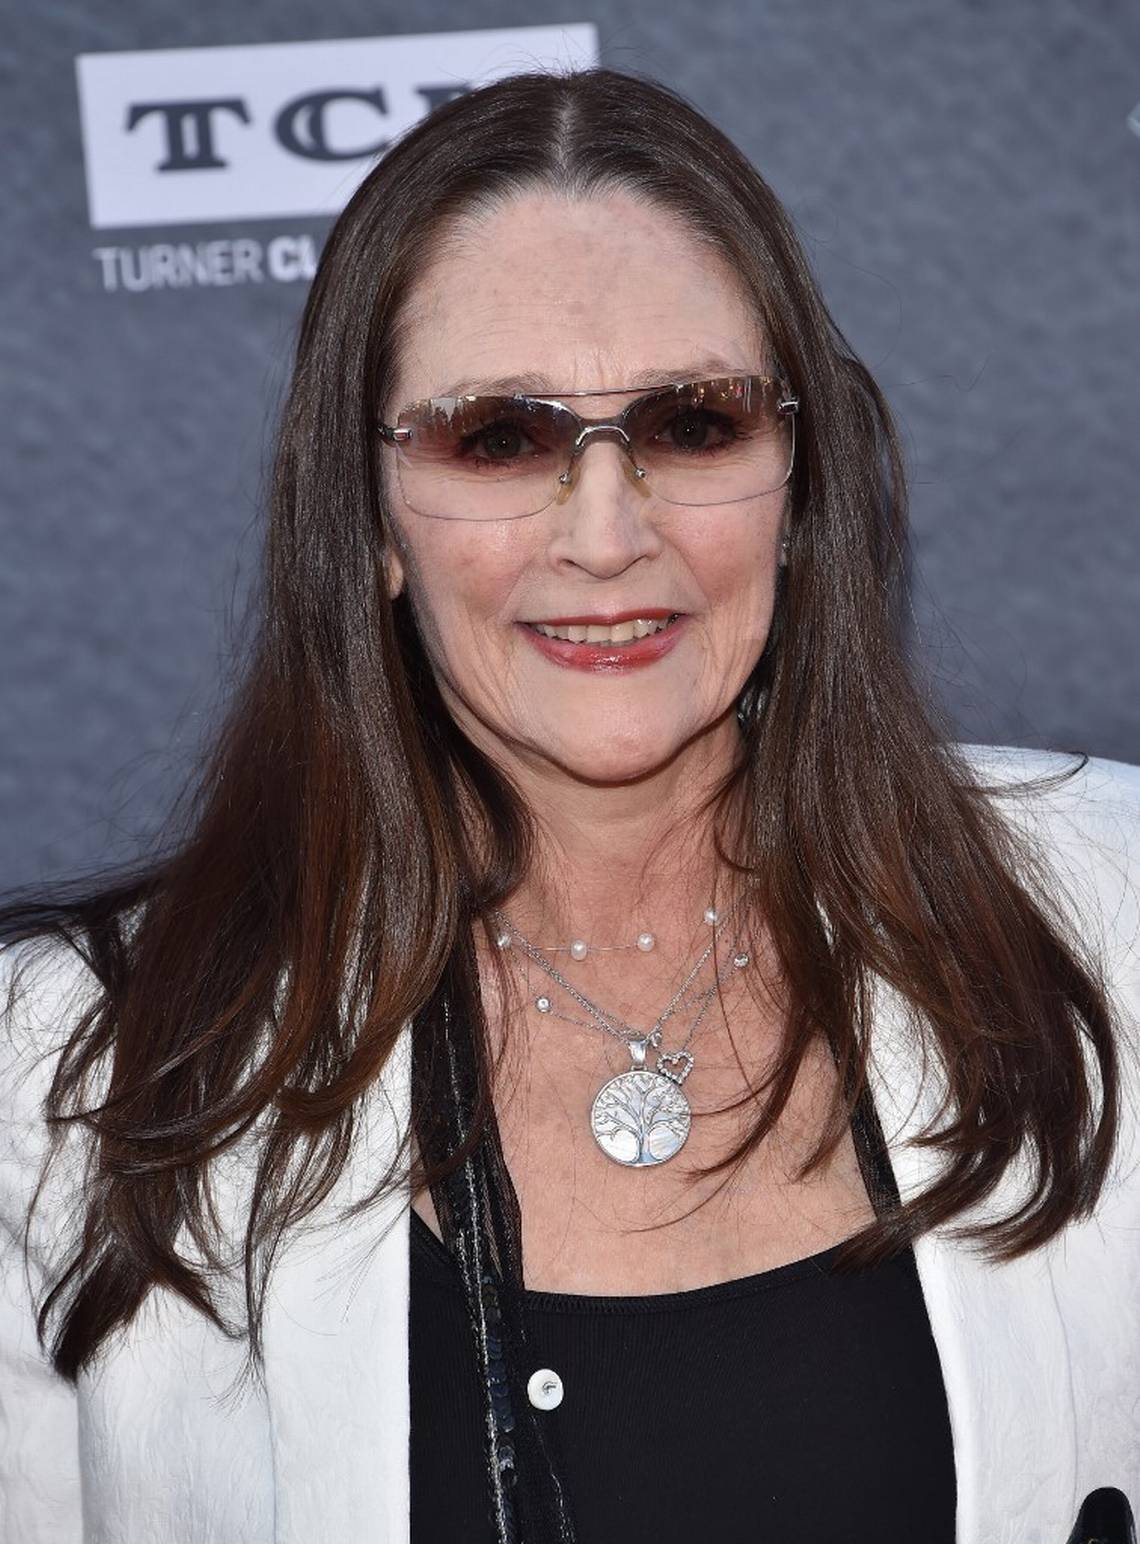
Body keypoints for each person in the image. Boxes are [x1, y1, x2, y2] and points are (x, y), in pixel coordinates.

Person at [1, 64, 1137, 1544]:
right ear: (370, 520)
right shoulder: (69, 1079)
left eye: (693, 424)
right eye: (500, 437)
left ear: (797, 483)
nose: (606, 535)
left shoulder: (1111, 915)